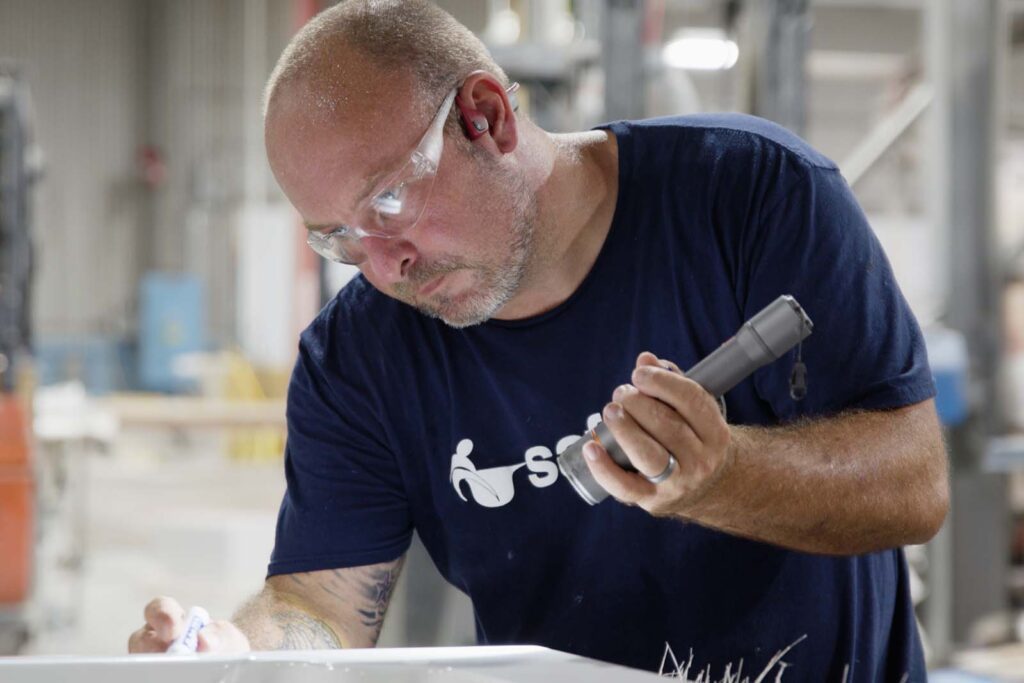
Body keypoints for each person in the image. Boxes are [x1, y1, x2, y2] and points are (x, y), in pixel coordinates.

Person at [129, 1, 949, 678]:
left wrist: (725, 477)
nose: (383, 266)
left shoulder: (752, 196)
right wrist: (233, 653)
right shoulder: (358, 362)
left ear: (484, 117)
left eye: (386, 204)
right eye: (338, 238)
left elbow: (914, 486)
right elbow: (323, 607)